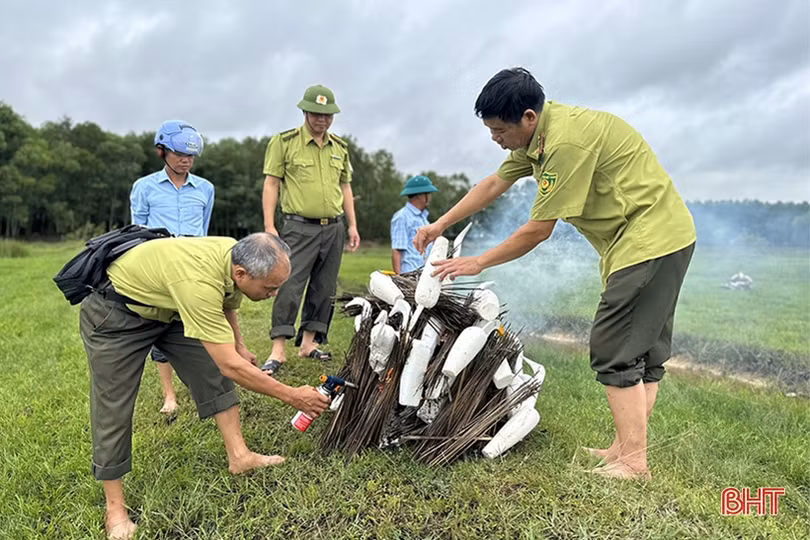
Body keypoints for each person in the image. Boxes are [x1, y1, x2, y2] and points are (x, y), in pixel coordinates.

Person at [415, 67, 696, 480]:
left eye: (499, 130)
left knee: (614, 345)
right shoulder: (538, 138)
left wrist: (477, 262)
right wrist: (440, 224)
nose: (495, 138)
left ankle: (634, 462)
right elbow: (492, 184)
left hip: (650, 240)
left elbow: (537, 231)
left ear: (528, 117)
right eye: (490, 130)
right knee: (643, 349)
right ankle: (625, 448)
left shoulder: (565, 144)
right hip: (654, 240)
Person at [79, 232, 329, 540]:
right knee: (113, 405)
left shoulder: (232, 256)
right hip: (117, 314)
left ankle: (240, 457)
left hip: (170, 310)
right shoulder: (199, 281)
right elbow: (231, 366)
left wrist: (238, 344)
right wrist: (292, 396)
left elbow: (227, 302)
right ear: (242, 273)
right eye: (270, 288)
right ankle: (115, 510)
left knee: (213, 373)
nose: (274, 294)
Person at [260, 84, 360, 376]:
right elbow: (271, 183)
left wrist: (353, 225)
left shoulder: (339, 147)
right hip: (298, 227)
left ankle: (308, 343)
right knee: (289, 285)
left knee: (325, 287)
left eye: (328, 115)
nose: (322, 120)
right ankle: (278, 349)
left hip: (334, 227)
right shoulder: (284, 142)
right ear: (305, 112)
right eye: (317, 114)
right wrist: (269, 225)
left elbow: (345, 186)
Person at [130, 120, 214, 415]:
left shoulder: (205, 189)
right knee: (161, 327)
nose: (185, 160)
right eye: (179, 154)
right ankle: (169, 395)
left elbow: (204, 230)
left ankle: (207, 388)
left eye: (190, 155)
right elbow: (137, 231)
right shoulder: (144, 187)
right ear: (161, 151)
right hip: (160, 267)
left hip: (194, 266)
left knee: (200, 325)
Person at [391, 175, 438, 274]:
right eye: (428, 193)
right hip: (409, 273)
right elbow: (397, 250)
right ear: (420, 195)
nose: (430, 197)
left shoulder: (423, 218)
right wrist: (399, 278)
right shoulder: (402, 217)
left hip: (423, 273)